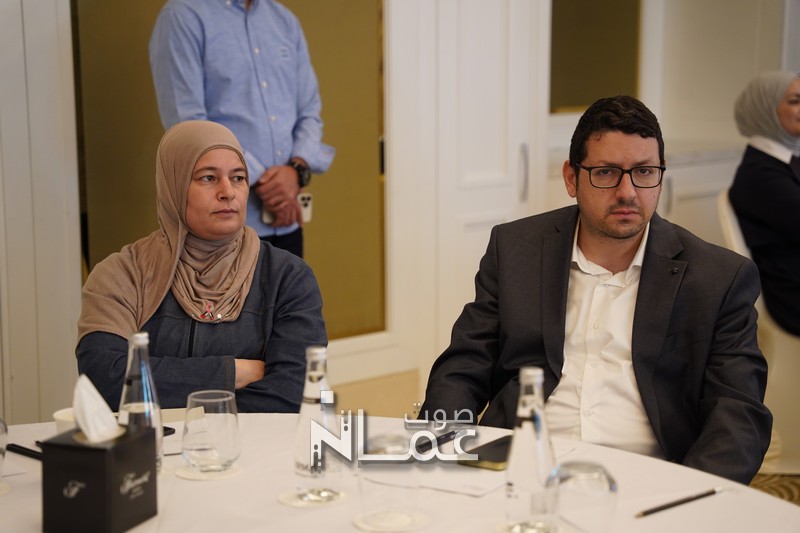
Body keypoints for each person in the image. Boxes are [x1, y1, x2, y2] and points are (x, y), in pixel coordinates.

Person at [420, 95, 772, 484]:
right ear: (572, 178)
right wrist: (438, 453)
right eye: (606, 173)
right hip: (520, 467)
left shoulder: (719, 277)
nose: (628, 192)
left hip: (649, 481)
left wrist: (690, 496)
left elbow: (738, 412)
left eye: (644, 172)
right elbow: (464, 367)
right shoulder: (515, 249)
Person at [77, 120, 327, 413]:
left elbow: (294, 393)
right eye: (208, 178)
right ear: (174, 185)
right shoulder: (121, 274)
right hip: (151, 442)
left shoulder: (288, 277)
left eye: (238, 178)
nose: (228, 192)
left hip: (256, 441)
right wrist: (234, 373)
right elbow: (105, 381)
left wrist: (183, 408)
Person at [149, 0, 335, 258]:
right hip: (220, 228)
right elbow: (189, 125)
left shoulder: (284, 21)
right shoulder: (182, 16)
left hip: (286, 221)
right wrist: (266, 184)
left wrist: (295, 170)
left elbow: (309, 111)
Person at [729, 70, 800, 336]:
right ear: (766, 109)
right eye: (794, 101)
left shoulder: (786, 160)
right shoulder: (761, 174)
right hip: (790, 294)